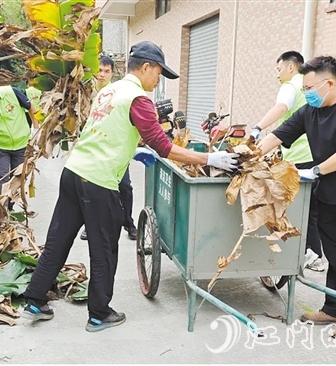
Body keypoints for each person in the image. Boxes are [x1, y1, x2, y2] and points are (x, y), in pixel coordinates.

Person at [21, 41, 240, 332]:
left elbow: (109, 129)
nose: (158, 79)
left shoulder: (109, 91)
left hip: (74, 172)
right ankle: (99, 313)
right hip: (99, 181)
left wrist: (133, 148)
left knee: (58, 239)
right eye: (158, 72)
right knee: (104, 249)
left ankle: (35, 300)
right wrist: (212, 158)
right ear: (146, 67)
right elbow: (163, 146)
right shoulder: (138, 98)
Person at [256, 55, 336, 348]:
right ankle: (335, 310)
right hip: (328, 197)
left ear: (329, 83)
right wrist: (249, 152)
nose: (307, 93)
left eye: (311, 87)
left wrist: (313, 170)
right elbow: (278, 135)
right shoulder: (310, 112)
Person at [251, 51, 324, 272]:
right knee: (310, 209)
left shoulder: (291, 85)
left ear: (291, 67)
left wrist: (257, 128)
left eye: (279, 69)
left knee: (294, 209)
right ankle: (315, 255)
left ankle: (306, 253)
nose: (278, 74)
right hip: (315, 155)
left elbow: (281, 108)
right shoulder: (310, 86)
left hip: (299, 159)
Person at [80, 55, 138, 241]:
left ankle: (128, 223)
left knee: (125, 187)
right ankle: (90, 225)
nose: (102, 75)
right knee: (90, 189)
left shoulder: (118, 91)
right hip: (92, 149)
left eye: (107, 71)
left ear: (113, 73)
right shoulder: (85, 92)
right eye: (100, 70)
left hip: (116, 149)